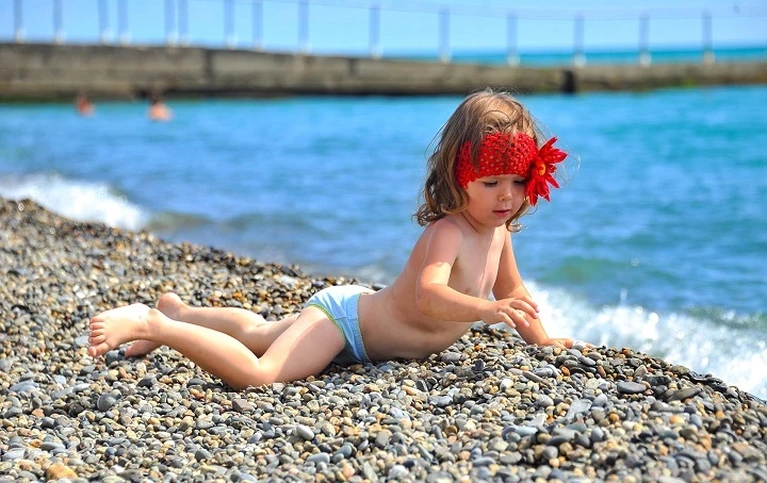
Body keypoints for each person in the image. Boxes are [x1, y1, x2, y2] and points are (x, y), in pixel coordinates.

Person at [88, 89, 582, 390]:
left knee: (259, 331)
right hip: (346, 324)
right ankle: (156, 325)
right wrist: (485, 310)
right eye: (491, 183)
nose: (506, 196)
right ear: (461, 178)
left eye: (518, 181)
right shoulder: (448, 230)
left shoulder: (497, 232)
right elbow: (429, 296)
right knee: (261, 373)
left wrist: (541, 340)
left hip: (362, 325)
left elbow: (512, 291)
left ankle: (179, 312)